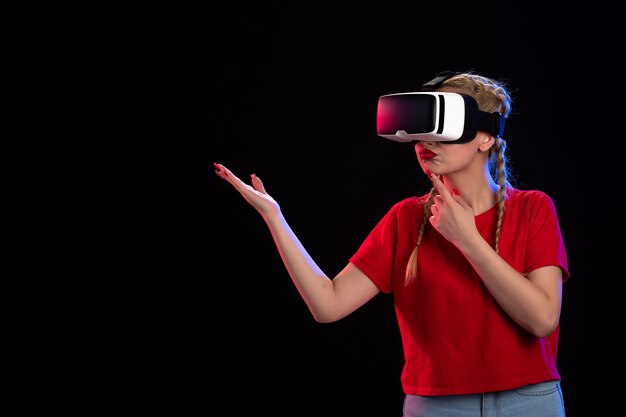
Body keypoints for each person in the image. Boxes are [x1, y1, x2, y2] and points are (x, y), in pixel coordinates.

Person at [213, 71, 569, 417]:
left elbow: (542, 319)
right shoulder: (405, 219)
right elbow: (328, 304)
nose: (424, 142)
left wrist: (468, 241)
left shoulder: (533, 208)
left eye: (440, 129)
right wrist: (275, 218)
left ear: (485, 137)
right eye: (419, 131)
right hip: (436, 406)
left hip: (530, 401)